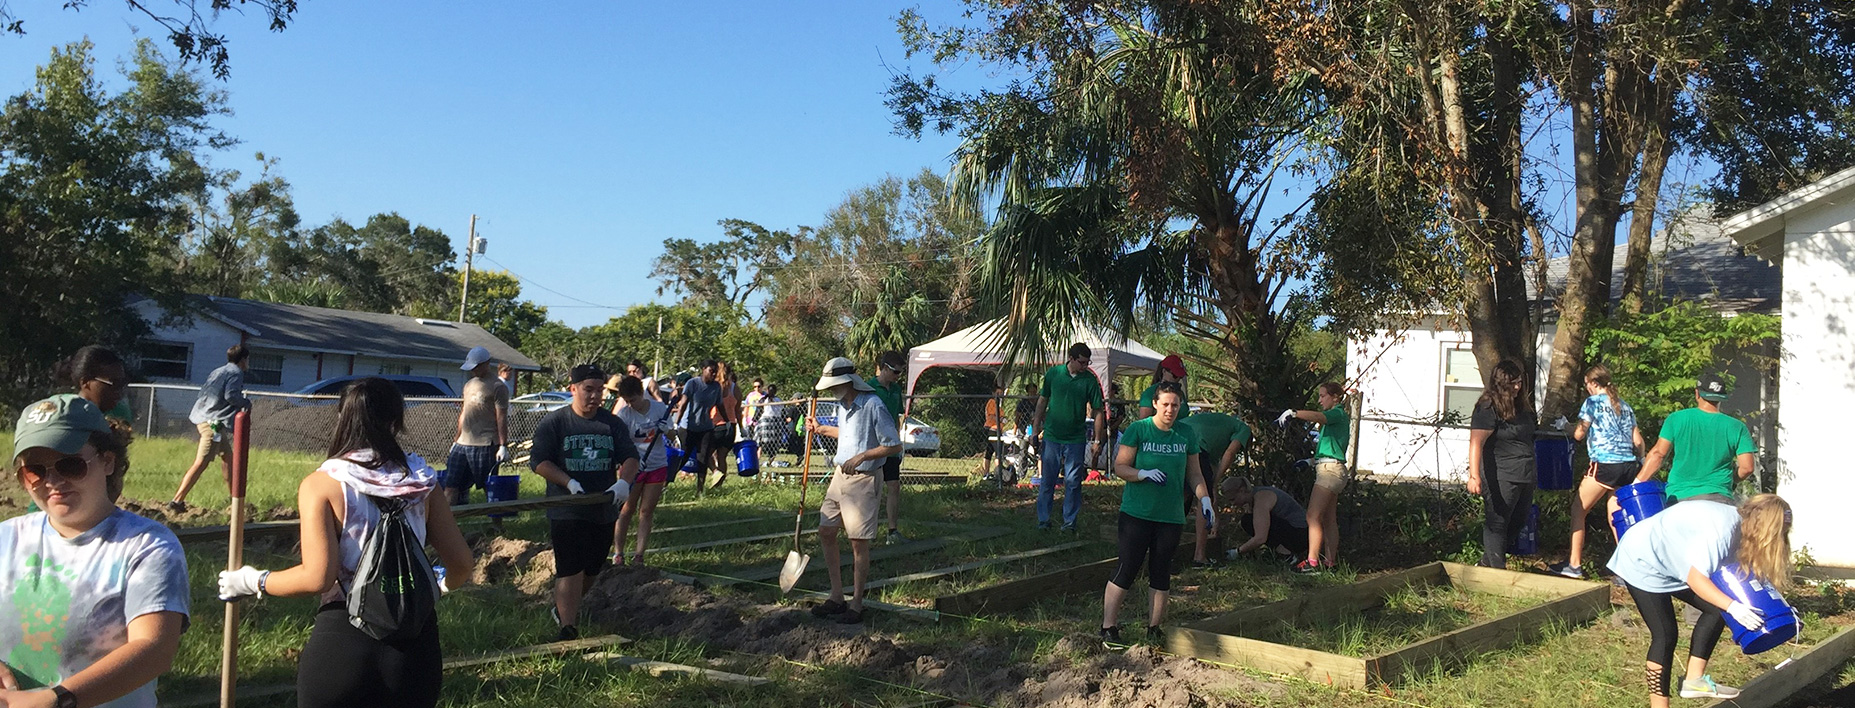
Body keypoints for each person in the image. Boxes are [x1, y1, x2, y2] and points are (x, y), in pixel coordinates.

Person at [216, 378, 475, 708]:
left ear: (342, 418)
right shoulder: (422, 483)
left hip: (343, 638)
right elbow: (462, 565)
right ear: (397, 422)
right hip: (414, 644)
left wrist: (253, 580)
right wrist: (439, 586)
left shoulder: (322, 485)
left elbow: (317, 577)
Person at [2, 395, 188, 708]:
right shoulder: (7, 538)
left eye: (70, 464)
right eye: (35, 471)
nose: (54, 481)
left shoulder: (148, 545)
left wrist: (56, 701)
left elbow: (155, 649)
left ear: (107, 461)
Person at [1608, 494, 1792, 705]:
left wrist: (1777, 608)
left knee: (1716, 610)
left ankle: (1694, 681)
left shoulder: (1743, 529)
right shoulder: (1722, 532)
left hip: (1674, 561)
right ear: (1766, 528)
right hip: (1642, 558)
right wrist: (1733, 607)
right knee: (1665, 634)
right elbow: (1696, 579)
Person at [528, 364, 638, 640]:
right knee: (570, 565)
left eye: (599, 390)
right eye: (588, 390)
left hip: (602, 508)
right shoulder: (555, 422)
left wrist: (624, 482)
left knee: (592, 568)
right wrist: (568, 482)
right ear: (573, 389)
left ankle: (566, 607)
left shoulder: (611, 424)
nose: (594, 396)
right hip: (566, 506)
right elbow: (539, 461)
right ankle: (567, 626)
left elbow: (630, 457)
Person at [1101, 381, 1211, 645]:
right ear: (1155, 404)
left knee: (1161, 571)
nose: (1170, 410)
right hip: (1137, 513)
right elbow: (1120, 467)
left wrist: (1205, 499)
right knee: (1127, 568)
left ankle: (1154, 628)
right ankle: (1108, 627)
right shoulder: (1139, 430)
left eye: (1175, 405)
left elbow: (1194, 473)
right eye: (1165, 405)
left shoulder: (1186, 434)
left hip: (1170, 515)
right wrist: (1142, 474)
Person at [804, 357, 902, 625]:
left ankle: (856, 604)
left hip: (864, 479)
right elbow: (848, 434)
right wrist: (821, 429)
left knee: (858, 542)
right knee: (826, 530)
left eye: (834, 385)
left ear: (848, 382)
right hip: (839, 477)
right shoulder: (842, 405)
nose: (831, 390)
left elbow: (893, 445)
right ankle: (837, 597)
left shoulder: (873, 405)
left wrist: (862, 457)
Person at [1557, 363, 1645, 578]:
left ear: (1594, 384)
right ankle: (1628, 572)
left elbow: (1579, 434)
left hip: (1605, 465)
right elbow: (1638, 441)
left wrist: (1564, 426)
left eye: (1587, 384)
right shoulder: (1625, 406)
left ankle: (1574, 565)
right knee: (1617, 517)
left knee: (1578, 510)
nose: (1586, 388)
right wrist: (1641, 461)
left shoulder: (1593, 403)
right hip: (1628, 466)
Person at [1637, 372, 1755, 502]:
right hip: (1719, 497)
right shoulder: (1737, 427)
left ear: (1697, 393)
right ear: (1722, 397)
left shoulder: (1676, 419)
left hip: (1679, 497)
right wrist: (1730, 480)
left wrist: (1636, 485)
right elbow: (1747, 468)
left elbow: (1658, 454)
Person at [1465, 360, 1537, 570]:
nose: (1517, 387)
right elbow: (1476, 442)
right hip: (1501, 474)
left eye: (1519, 382)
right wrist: (1474, 475)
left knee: (1519, 521)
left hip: (1525, 474)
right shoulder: (1487, 407)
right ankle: (1497, 571)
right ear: (1500, 383)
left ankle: (1487, 563)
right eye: (1512, 383)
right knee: (1497, 522)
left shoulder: (1523, 408)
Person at [1032, 343, 1109, 532]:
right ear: (1071, 359)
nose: (1085, 366)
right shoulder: (1054, 374)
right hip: (1052, 437)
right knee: (1047, 480)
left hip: (1075, 438)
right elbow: (1042, 401)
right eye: (1082, 362)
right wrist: (1035, 430)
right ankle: (1044, 520)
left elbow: (1098, 411)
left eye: (1087, 362)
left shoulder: (1089, 380)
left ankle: (1069, 522)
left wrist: (1097, 440)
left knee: (1073, 482)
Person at [1277, 382, 1350, 573]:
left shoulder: (1337, 413)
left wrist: (1294, 413)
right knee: (1328, 519)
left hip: (1329, 472)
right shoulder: (1338, 419)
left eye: (1323, 395)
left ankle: (1312, 562)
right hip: (1332, 469)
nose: (1319, 400)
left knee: (1312, 515)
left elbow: (1319, 417)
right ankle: (1330, 562)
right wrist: (1309, 462)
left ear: (1335, 397)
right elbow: (1331, 450)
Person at [171, 344, 252, 509]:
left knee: (228, 459)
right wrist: (246, 403)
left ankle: (234, 501)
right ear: (243, 359)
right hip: (212, 424)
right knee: (201, 462)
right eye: (247, 359)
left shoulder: (218, 371)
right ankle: (176, 501)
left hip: (206, 418)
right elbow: (231, 396)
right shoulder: (236, 373)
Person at [1178, 410, 1251, 566]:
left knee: (1181, 495)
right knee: (1203, 498)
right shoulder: (1243, 429)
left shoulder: (1218, 431)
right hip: (1195, 443)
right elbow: (1230, 453)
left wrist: (1216, 517)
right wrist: (1213, 483)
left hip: (1176, 439)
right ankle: (1200, 556)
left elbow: (1209, 470)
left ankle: (1165, 548)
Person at [613, 375, 672, 567]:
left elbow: (673, 433)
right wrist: (632, 461)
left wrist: (665, 429)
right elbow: (620, 444)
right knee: (626, 509)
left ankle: (639, 555)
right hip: (634, 467)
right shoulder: (625, 415)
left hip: (657, 465)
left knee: (646, 511)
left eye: (633, 400)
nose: (631, 404)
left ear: (641, 394)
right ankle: (618, 553)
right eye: (627, 401)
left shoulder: (659, 409)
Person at [447, 346, 510, 506]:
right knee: (451, 485)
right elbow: (463, 413)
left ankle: (496, 525)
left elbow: (501, 417)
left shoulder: (498, 387)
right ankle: (449, 525)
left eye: (476, 367)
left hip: (485, 444)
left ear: (486, 363)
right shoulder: (468, 385)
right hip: (462, 444)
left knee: (489, 488)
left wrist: (503, 445)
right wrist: (456, 439)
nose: (474, 371)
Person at [870, 351, 911, 543]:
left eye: (900, 373)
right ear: (885, 368)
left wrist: (897, 442)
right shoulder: (868, 388)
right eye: (896, 372)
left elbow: (896, 417)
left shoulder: (895, 391)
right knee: (872, 489)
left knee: (893, 486)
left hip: (890, 447)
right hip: (872, 447)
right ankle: (866, 530)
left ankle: (892, 531)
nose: (898, 377)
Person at [1220, 476, 1309, 563]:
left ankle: (1286, 556)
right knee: (1249, 520)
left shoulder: (1261, 498)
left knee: (1248, 521)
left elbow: (1260, 538)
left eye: (1233, 499)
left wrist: (1237, 552)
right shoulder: (1256, 496)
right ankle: (1282, 553)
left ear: (1242, 490)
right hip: (1298, 531)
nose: (1233, 504)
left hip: (1301, 533)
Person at [670, 361, 722, 494]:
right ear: (703, 369)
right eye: (711, 370)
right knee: (682, 457)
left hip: (705, 428)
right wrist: (677, 423)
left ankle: (700, 490)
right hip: (688, 427)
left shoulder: (716, 387)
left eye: (715, 371)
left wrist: (728, 421)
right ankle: (665, 483)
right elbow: (683, 404)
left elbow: (719, 405)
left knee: (703, 458)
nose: (714, 374)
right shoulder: (693, 383)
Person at [58, 345, 134, 423]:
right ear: (86, 382)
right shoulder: (63, 411)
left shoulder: (119, 412)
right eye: (115, 383)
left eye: (123, 383)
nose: (119, 391)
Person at [707, 361, 743, 488]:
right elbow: (738, 411)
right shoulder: (735, 388)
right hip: (731, 426)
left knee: (705, 453)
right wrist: (742, 427)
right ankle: (719, 485)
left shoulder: (715, 387)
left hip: (716, 424)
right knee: (722, 457)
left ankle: (715, 473)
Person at [1135, 355, 1190, 421]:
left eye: (1180, 376)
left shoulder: (1180, 393)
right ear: (1164, 371)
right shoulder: (1150, 393)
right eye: (1175, 375)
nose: (1178, 379)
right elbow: (1143, 423)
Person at [755, 384, 790, 467]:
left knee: (761, 443)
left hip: (765, 422)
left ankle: (757, 460)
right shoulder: (778, 400)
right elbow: (783, 413)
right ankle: (770, 461)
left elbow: (758, 412)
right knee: (774, 444)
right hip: (776, 423)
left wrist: (755, 420)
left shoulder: (763, 400)